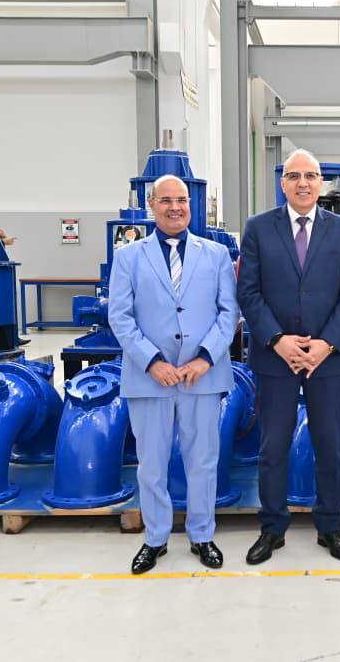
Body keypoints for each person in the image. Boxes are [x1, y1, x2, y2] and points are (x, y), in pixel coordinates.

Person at [108, 174, 239, 574]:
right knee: (151, 464)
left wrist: (205, 358)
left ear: (190, 205)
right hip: (150, 378)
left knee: (203, 461)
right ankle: (155, 538)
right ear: (151, 205)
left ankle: (202, 535)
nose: (175, 207)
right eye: (165, 200)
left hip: (202, 376)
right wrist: (152, 362)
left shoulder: (216, 255)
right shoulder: (128, 257)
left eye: (181, 200)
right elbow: (120, 316)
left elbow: (229, 312)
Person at [236, 149, 340, 565]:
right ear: (282, 183)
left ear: (321, 182)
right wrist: (277, 339)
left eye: (310, 175)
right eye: (294, 176)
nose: (303, 183)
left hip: (327, 358)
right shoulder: (258, 228)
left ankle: (331, 526)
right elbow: (248, 291)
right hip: (275, 358)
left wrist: (327, 343)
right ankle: (272, 528)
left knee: (330, 445)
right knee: (273, 447)